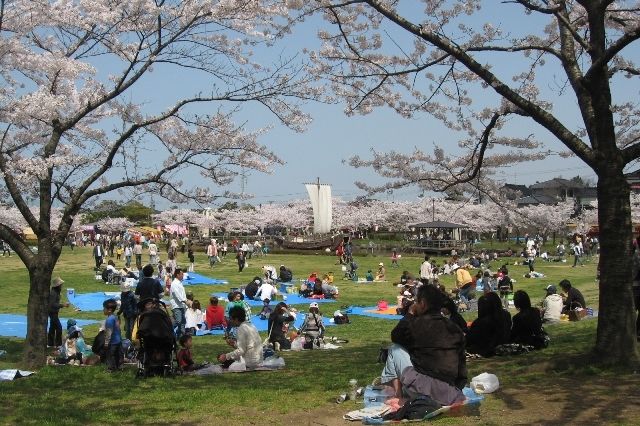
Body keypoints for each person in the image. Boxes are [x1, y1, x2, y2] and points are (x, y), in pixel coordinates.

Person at [379, 285, 466, 405]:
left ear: (423, 303)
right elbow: (461, 366)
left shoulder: (415, 325)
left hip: (424, 389)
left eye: (417, 302)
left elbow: (396, 336)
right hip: (451, 392)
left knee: (395, 349)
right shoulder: (454, 328)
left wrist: (409, 313)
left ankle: (397, 394)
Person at [466, 292, 512, 357]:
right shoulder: (506, 315)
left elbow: (470, 340)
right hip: (503, 344)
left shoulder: (481, 322)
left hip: (486, 349)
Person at [48, 277, 69, 348]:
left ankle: (50, 343)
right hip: (52, 312)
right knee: (59, 328)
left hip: (53, 312)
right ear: (57, 286)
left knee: (52, 327)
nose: (61, 286)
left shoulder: (56, 292)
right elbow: (52, 304)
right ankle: (58, 344)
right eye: (60, 285)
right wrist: (63, 305)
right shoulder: (53, 293)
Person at [169, 268, 190, 339]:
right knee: (179, 321)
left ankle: (181, 336)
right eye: (181, 274)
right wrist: (185, 301)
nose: (183, 276)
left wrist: (186, 301)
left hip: (181, 305)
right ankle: (168, 328)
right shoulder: (174, 284)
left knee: (183, 321)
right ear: (177, 275)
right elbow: (178, 295)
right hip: (176, 305)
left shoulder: (179, 283)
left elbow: (182, 294)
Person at [102, 298, 122, 372]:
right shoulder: (115, 317)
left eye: (104, 308)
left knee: (110, 355)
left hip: (112, 341)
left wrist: (106, 342)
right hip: (118, 340)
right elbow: (118, 329)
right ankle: (119, 367)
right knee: (117, 355)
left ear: (109, 310)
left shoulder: (109, 320)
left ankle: (111, 368)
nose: (103, 310)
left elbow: (109, 332)